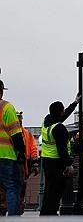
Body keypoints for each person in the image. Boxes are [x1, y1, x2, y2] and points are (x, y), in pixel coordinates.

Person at [39, 93, 81, 215]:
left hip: (46, 161)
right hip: (57, 162)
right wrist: (69, 164)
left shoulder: (46, 122)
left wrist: (74, 103)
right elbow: (62, 149)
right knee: (56, 190)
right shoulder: (59, 128)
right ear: (60, 111)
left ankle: (45, 212)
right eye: (63, 110)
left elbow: (61, 117)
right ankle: (50, 213)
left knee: (49, 189)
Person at [0, 111, 39, 215]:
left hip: (21, 167)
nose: (19, 122)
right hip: (13, 164)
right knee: (7, 191)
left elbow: (33, 148)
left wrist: (35, 162)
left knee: (19, 191)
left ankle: (16, 212)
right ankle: (6, 211)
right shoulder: (10, 132)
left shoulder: (27, 134)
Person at [0, 80, 26, 216]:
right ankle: (13, 219)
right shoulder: (6, 107)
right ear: (1, 91)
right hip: (6, 156)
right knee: (12, 188)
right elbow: (16, 134)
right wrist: (21, 152)